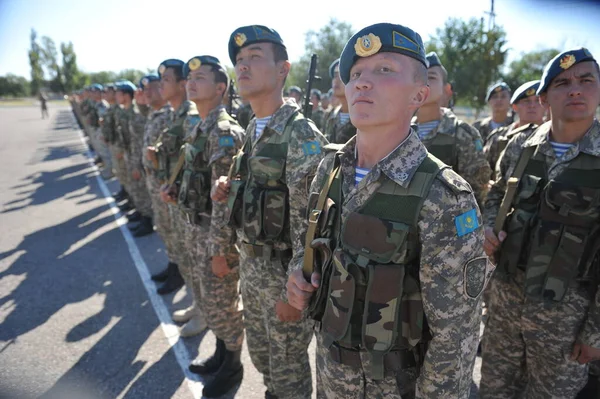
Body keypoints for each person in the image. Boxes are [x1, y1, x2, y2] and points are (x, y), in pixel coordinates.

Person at [286, 22, 491, 398]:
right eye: (357, 73)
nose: (363, 82)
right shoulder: (330, 170)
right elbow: (307, 247)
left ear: (419, 94)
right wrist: (297, 278)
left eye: (384, 70)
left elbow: (455, 337)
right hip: (330, 376)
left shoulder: (443, 196)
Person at [211, 24, 328, 399]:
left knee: (288, 371)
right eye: (239, 60)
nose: (242, 66)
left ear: (283, 70)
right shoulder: (253, 129)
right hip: (252, 270)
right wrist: (228, 191)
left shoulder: (301, 136)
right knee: (265, 363)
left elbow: (311, 230)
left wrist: (294, 294)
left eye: (255, 57)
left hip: (283, 280)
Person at [480, 47, 600, 398]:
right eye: (562, 83)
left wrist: (595, 333)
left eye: (586, 80)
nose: (575, 89)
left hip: (566, 318)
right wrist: (490, 226)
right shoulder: (521, 146)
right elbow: (496, 192)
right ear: (546, 97)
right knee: (494, 391)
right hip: (505, 303)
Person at [166, 55, 246, 398]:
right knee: (209, 302)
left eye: (199, 77)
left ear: (220, 87)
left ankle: (232, 367)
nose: (190, 82)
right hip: (194, 230)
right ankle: (220, 355)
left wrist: (220, 251)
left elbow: (224, 201)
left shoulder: (223, 132)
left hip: (213, 237)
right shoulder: (200, 126)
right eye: (189, 77)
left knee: (222, 305)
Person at [155, 58, 207, 336]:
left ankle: (204, 312)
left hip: (192, 202)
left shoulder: (191, 117)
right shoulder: (177, 115)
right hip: (177, 197)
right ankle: (197, 305)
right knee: (187, 260)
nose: (161, 85)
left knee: (198, 263)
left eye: (166, 80)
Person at [413, 51, 491, 206]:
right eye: (418, 77)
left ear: (446, 89)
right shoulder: (399, 132)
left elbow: (476, 193)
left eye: (432, 77)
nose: (424, 83)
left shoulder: (463, 134)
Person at [483, 80, 545, 176]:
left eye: (537, 100)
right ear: (515, 107)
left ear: (545, 104)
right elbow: (483, 172)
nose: (532, 106)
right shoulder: (499, 137)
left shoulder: (556, 137)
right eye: (526, 101)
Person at [323, 59, 356, 144]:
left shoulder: (363, 115)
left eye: (341, 75)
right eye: (335, 75)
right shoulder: (330, 115)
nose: (336, 80)